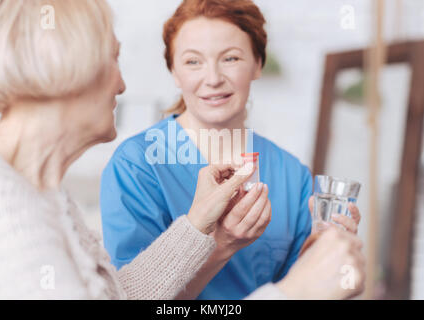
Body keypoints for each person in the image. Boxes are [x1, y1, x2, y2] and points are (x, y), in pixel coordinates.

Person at [0, 0, 364, 300]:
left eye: (231, 58)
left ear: (257, 64)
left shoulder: (46, 197)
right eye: (113, 59)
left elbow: (120, 294)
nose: (123, 85)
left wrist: (314, 263)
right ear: (65, 68)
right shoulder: (1, 215)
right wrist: (291, 294)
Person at [100, 0, 362, 300]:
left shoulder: (292, 175)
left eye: (231, 59)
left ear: (257, 64)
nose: (212, 79)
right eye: (193, 62)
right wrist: (221, 245)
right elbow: (133, 297)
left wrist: (323, 258)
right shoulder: (136, 166)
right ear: (174, 71)